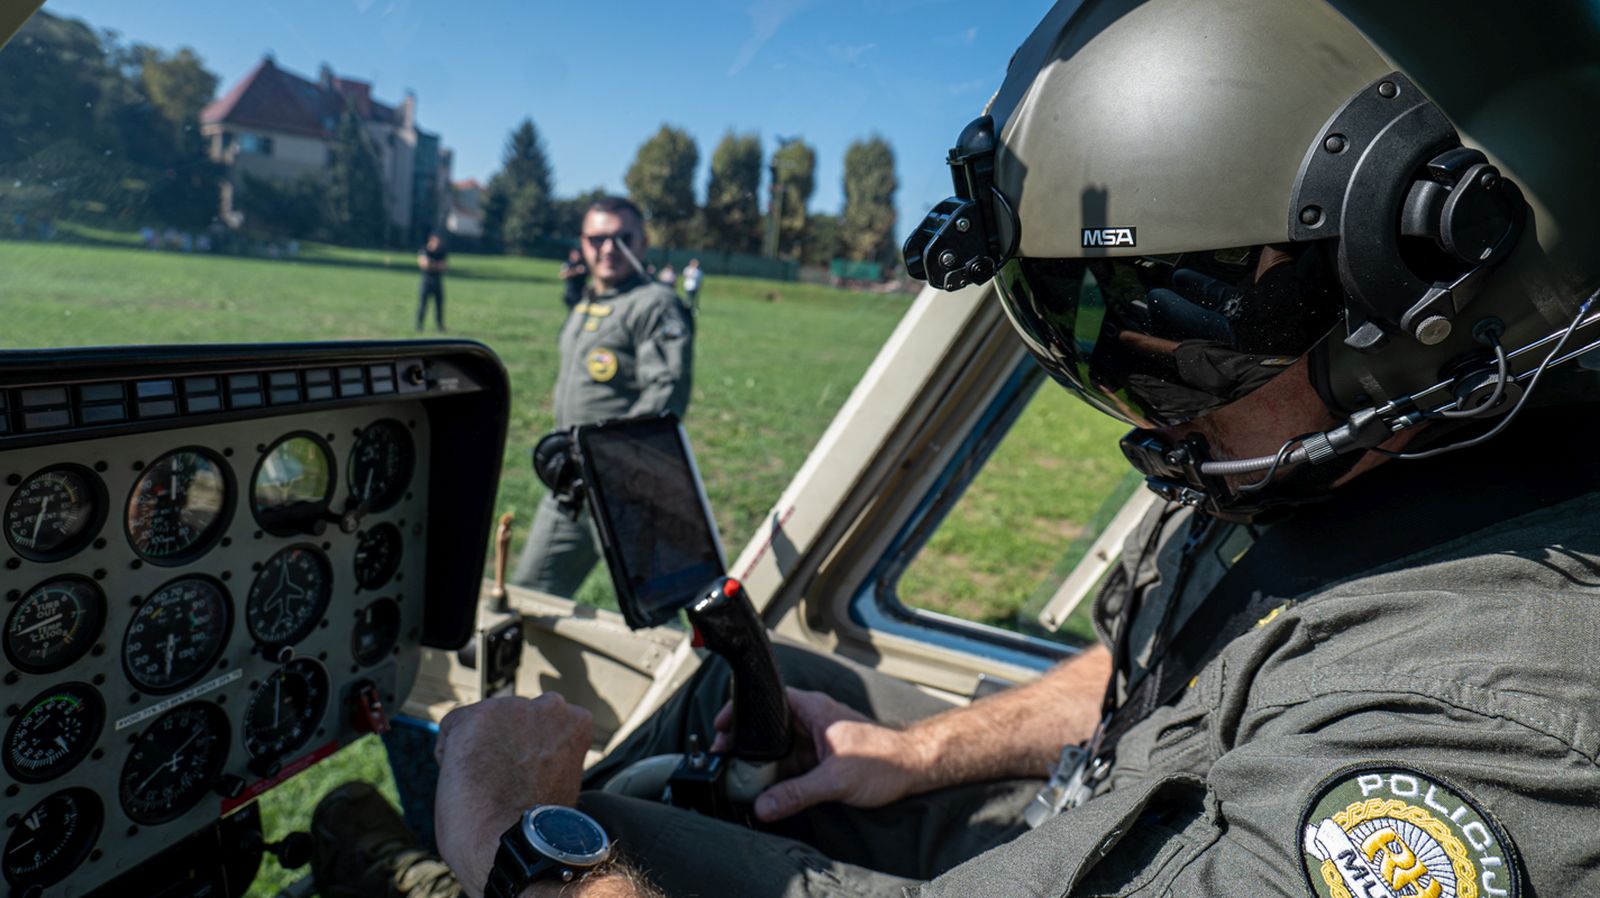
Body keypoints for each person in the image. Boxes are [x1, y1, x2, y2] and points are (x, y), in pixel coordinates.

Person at [316, 2, 1600, 896]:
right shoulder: (1334, 469)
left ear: (1444, 294)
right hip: (1084, 812)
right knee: (728, 724)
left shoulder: (1491, 718)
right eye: (1082, 331)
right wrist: (925, 750)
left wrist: (512, 836)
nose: (1147, 411)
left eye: (1188, 337)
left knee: (553, 826)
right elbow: (1180, 663)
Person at [508, 196, 694, 598]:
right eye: (597, 239)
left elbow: (665, 395)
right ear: (582, 243)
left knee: (655, 610)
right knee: (530, 596)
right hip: (572, 485)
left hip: (625, 490)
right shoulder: (590, 300)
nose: (609, 249)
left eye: (622, 238)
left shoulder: (655, 304)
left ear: (643, 243)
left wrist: (612, 456)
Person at [417, 232, 449, 332]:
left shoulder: (442, 251)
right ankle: (419, 325)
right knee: (423, 304)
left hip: (437, 282)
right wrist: (436, 265)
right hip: (426, 281)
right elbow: (424, 264)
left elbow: (444, 266)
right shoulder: (424, 250)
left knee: (439, 305)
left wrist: (432, 264)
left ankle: (439, 326)